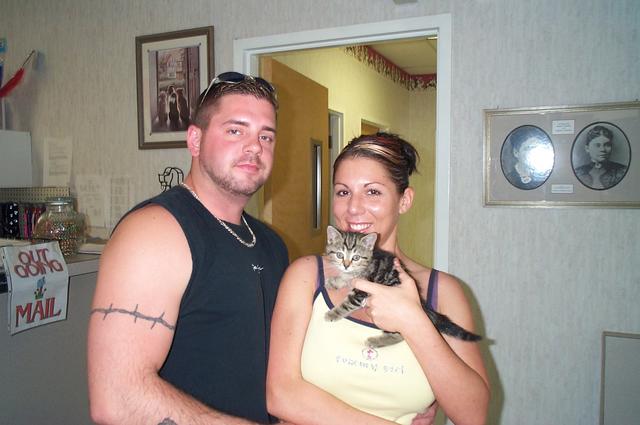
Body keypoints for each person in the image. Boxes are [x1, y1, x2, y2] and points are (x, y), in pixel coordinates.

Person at [87, 72, 291, 425]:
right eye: (235, 130)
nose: (255, 147)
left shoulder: (272, 244)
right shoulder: (155, 232)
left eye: (266, 136)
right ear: (195, 140)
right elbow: (117, 399)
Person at [267, 133, 490, 425]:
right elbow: (281, 395)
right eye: (343, 192)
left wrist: (414, 321)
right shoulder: (307, 277)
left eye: (372, 192)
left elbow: (473, 416)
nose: (354, 208)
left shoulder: (443, 292)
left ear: (404, 200)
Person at [573, 124, 628, 190]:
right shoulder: (578, 173)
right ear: (587, 148)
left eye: (607, 145)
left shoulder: (622, 171)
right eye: (597, 145)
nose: (603, 149)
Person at [502, 126, 553, 190]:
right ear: (516, 152)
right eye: (528, 148)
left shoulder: (543, 176)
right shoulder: (511, 179)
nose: (534, 153)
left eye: (536, 148)